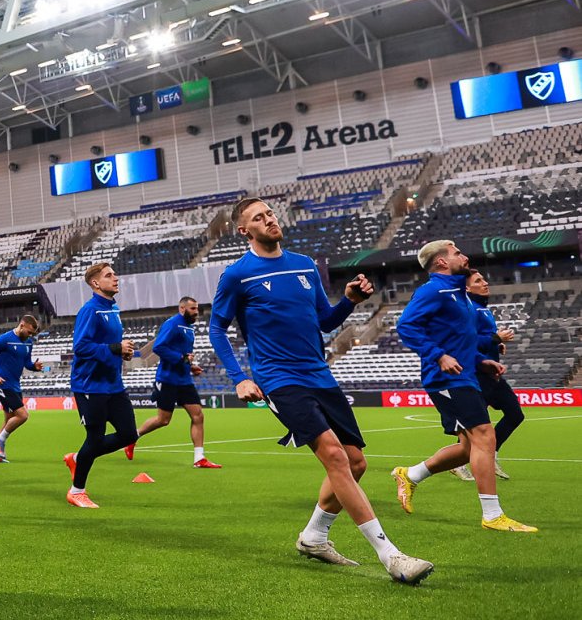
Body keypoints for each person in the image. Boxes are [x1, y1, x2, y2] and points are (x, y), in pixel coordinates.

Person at [212, 197, 433, 584]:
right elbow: (216, 328)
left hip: (320, 375)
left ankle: (313, 536)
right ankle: (391, 556)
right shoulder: (237, 275)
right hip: (279, 379)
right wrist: (239, 377)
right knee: (334, 455)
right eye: (258, 218)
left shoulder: (303, 265)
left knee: (356, 462)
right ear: (244, 230)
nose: (269, 219)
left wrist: (348, 302)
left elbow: (324, 321)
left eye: (270, 213)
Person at [389, 242, 536, 532]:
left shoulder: (460, 296)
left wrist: (482, 361)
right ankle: (492, 515)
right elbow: (406, 326)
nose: (464, 256)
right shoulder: (434, 290)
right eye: (457, 253)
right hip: (445, 378)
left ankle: (410, 474)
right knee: (485, 436)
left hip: (466, 375)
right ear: (442, 262)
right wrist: (439, 356)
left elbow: (461, 339)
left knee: (469, 447)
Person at [61, 263, 140, 507]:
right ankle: (76, 491)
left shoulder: (113, 308)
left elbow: (107, 346)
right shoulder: (90, 310)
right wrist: (116, 348)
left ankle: (78, 458)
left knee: (129, 434)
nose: (115, 278)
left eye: (115, 273)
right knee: (95, 439)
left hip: (114, 385)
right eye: (109, 275)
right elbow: (81, 348)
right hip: (89, 386)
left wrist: (122, 352)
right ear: (95, 283)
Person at [125, 296, 222, 469]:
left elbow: (185, 355)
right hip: (168, 379)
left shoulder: (189, 328)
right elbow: (159, 347)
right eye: (192, 309)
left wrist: (191, 366)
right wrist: (181, 358)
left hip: (184, 380)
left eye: (197, 309)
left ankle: (199, 458)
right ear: (182, 309)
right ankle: (132, 438)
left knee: (198, 415)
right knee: (163, 420)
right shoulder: (172, 324)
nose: (196, 312)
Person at [450, 269, 522, 481]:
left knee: (515, 414)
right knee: (476, 424)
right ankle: (460, 462)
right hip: (477, 374)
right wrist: (494, 338)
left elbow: (482, 340)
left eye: (484, 278)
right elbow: (467, 342)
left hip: (491, 373)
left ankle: (489, 455)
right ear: (466, 287)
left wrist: (495, 345)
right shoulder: (469, 309)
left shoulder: (482, 309)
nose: (485, 282)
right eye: (478, 280)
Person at [0, 314, 43, 463]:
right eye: (29, 332)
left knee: (8, 420)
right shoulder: (5, 339)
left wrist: (34, 367)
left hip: (16, 385)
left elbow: (26, 363)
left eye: (32, 334)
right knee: (22, 415)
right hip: (3, 385)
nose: (30, 335)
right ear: (21, 325)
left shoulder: (28, 342)